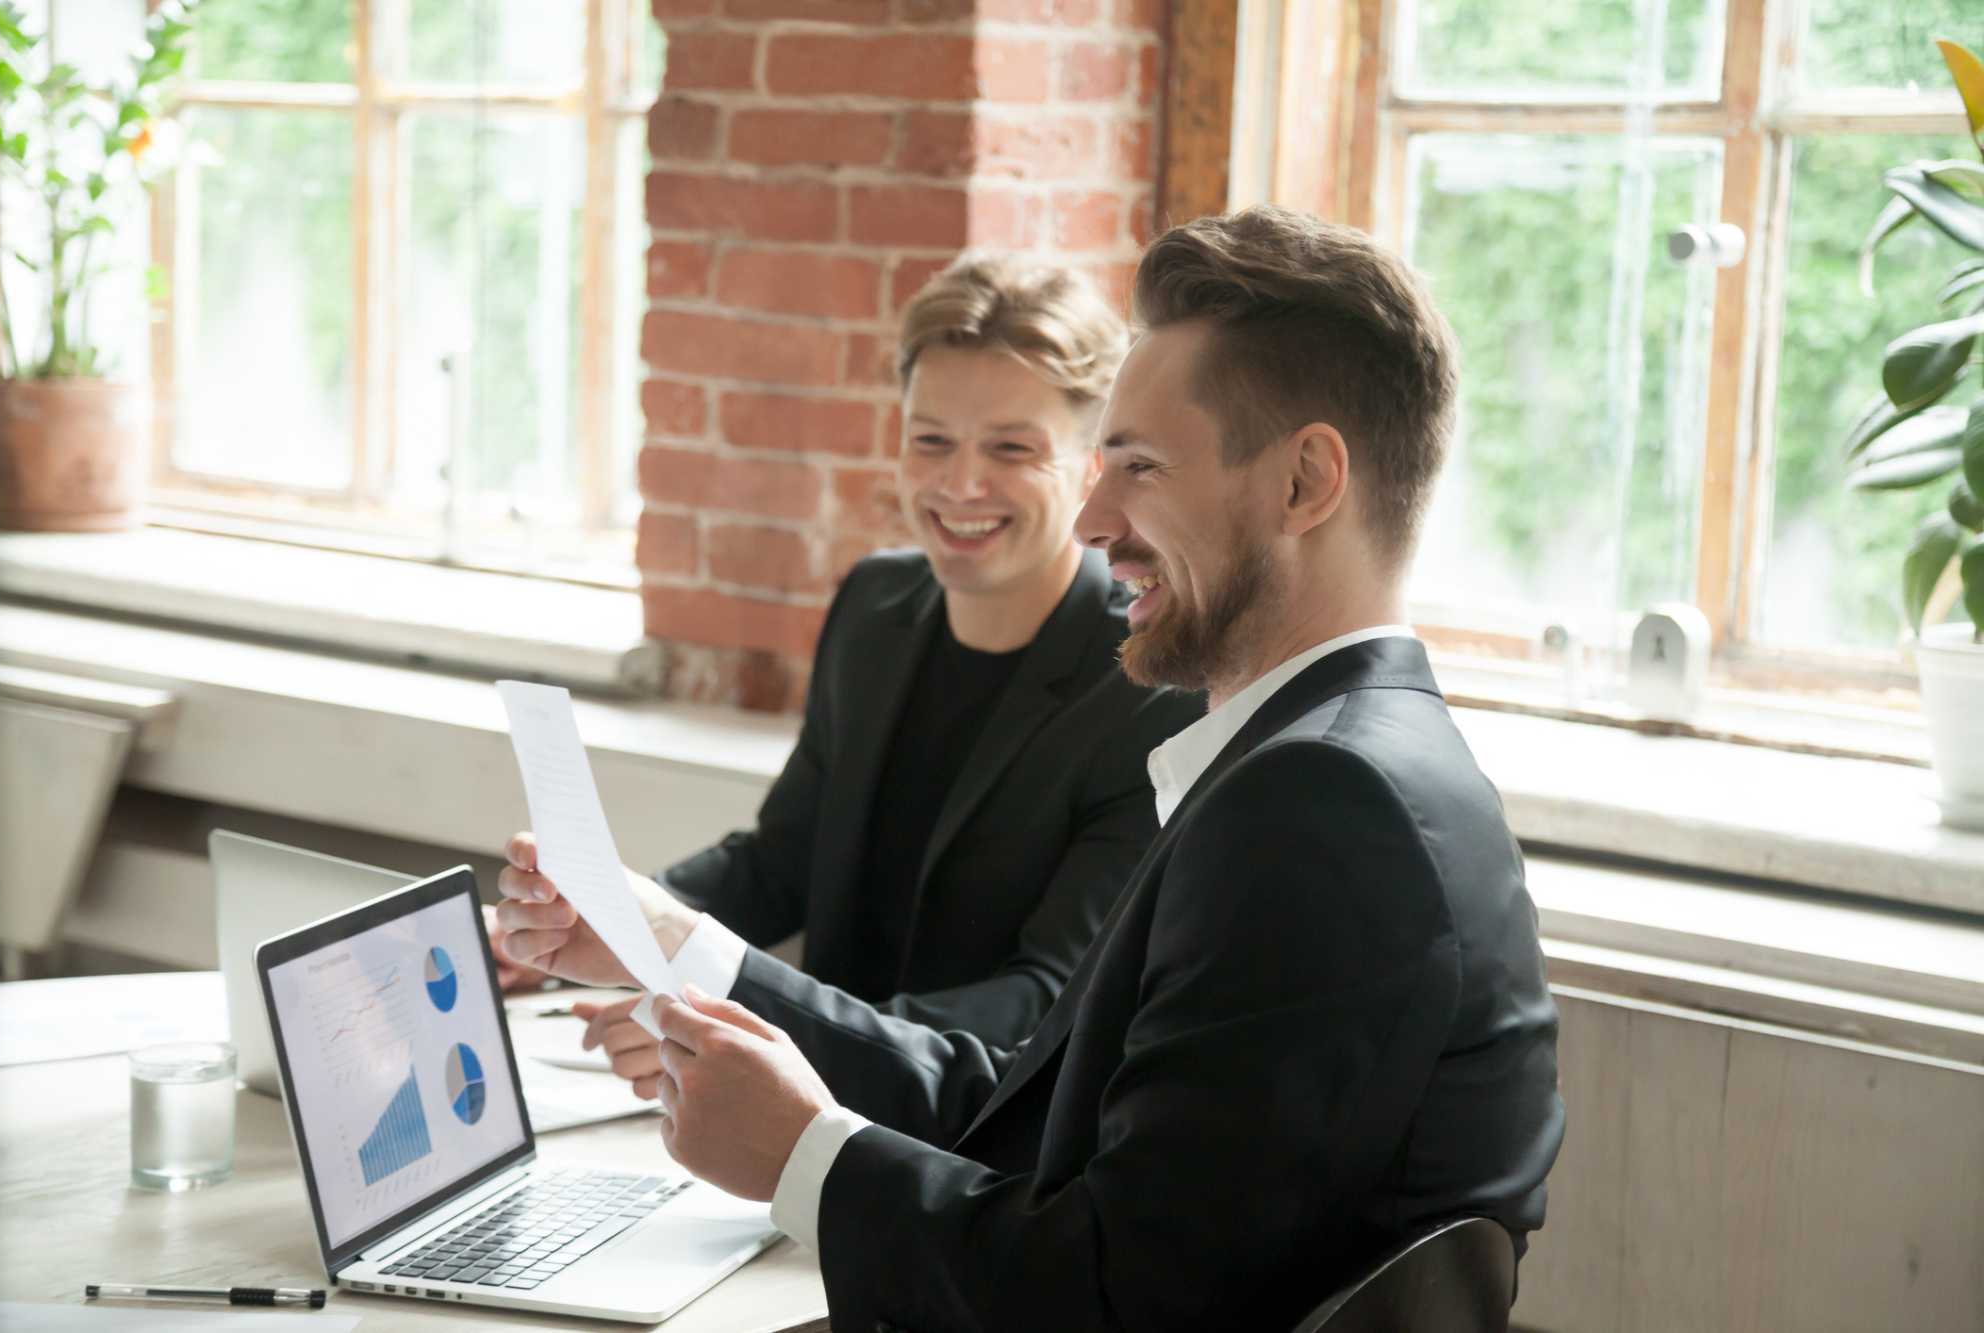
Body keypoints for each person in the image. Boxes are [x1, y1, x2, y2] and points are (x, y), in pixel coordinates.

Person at [498, 206, 1566, 1332]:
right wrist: (688, 951)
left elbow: (1116, 1295)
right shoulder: (1336, 759)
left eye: (1139, 467)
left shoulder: (1320, 807)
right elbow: (1023, 1110)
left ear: (1304, 484)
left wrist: (805, 1158)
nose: (1095, 518)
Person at [496, 257, 1202, 1056]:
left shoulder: (1150, 685)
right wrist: (600, 922)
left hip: (976, 1146)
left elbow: (1041, 1001)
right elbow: (781, 863)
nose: (961, 483)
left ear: (1091, 465)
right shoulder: (876, 606)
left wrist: (746, 1022)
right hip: (796, 1112)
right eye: (930, 441)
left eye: (1011, 449)